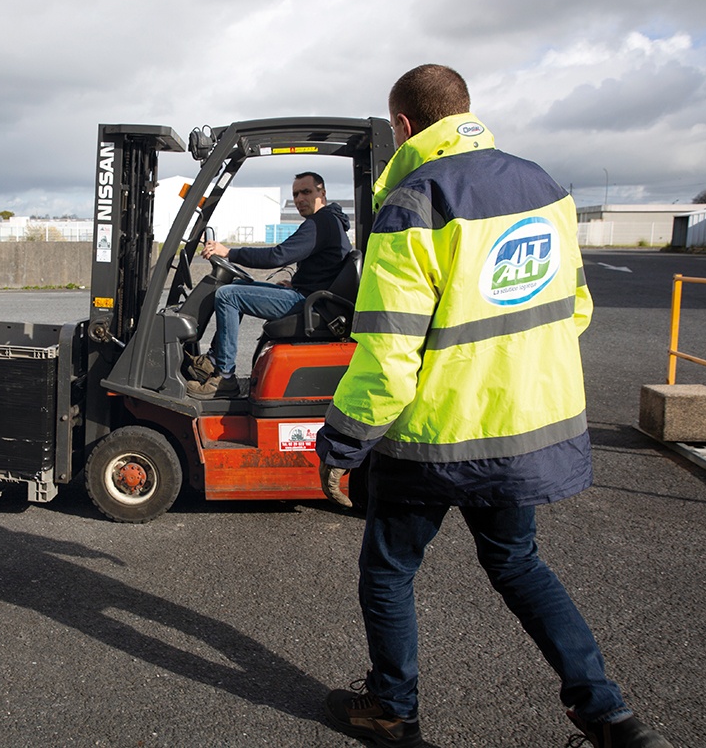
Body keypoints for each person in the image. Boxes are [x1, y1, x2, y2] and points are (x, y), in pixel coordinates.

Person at [315, 65, 672, 748]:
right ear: (465, 112)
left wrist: (341, 444)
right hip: (522, 429)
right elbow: (577, 310)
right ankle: (609, 715)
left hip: (433, 438)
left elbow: (390, 354)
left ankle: (393, 708)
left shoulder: (414, 201)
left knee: (389, 570)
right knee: (518, 564)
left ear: (403, 126)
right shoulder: (546, 188)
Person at [186, 171, 352, 399]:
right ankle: (214, 361)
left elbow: (277, 256)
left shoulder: (321, 222)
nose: (300, 198)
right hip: (309, 296)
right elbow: (323, 266)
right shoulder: (330, 222)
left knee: (228, 295)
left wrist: (229, 252)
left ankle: (224, 376)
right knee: (237, 285)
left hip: (309, 303)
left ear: (321, 193)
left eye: (306, 192)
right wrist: (294, 282)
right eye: (295, 194)